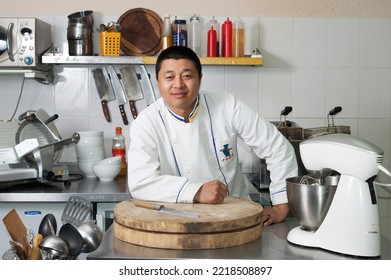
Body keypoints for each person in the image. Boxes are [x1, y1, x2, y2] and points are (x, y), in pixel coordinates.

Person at [127, 46, 298, 226]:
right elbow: (140, 183)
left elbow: (278, 147)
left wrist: (281, 204)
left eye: (187, 76)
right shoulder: (146, 123)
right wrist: (196, 191)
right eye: (169, 77)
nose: (178, 84)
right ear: (158, 82)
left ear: (200, 79)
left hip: (236, 220)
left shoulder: (227, 106)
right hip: (178, 223)